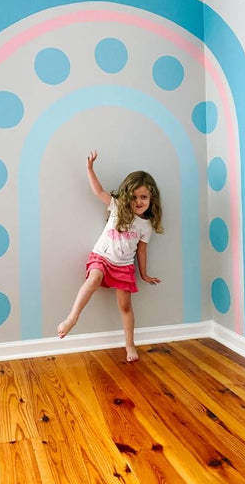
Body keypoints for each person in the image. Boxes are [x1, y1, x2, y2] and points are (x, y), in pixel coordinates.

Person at [57, 150, 163, 362]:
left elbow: (141, 251)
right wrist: (90, 169)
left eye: (144, 197)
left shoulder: (146, 225)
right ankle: (72, 317)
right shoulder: (116, 207)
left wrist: (144, 274)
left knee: (125, 306)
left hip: (124, 266)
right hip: (102, 258)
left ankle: (130, 344)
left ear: (151, 199)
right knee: (93, 279)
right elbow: (98, 192)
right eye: (134, 197)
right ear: (126, 197)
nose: (138, 201)